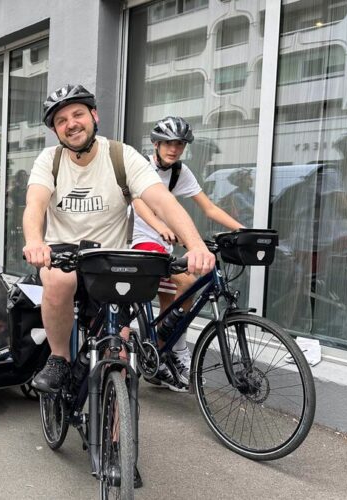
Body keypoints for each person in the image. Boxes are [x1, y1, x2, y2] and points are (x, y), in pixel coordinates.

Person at [22, 83, 215, 393]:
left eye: (77, 114)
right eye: (61, 120)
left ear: (93, 115)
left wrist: (195, 244)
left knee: (119, 354)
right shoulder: (50, 160)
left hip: (108, 259)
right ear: (56, 130)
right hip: (62, 252)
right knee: (59, 280)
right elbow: (35, 204)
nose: (71, 123)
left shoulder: (120, 156)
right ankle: (58, 358)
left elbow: (164, 201)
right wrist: (34, 241)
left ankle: (115, 434)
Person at [131, 116, 244, 391]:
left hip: (164, 247)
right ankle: (172, 352)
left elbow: (210, 208)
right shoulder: (141, 166)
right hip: (138, 243)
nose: (174, 149)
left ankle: (160, 353)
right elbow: (138, 201)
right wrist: (159, 225)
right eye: (168, 143)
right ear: (156, 144)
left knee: (176, 301)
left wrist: (245, 230)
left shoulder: (180, 172)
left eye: (179, 144)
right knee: (187, 284)